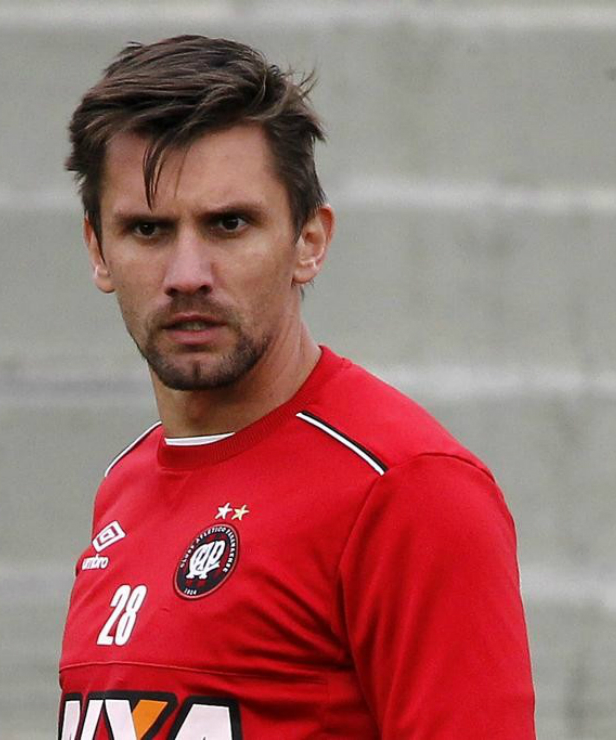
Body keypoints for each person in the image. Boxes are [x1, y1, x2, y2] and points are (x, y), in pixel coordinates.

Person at [57, 35, 536, 739]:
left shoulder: (407, 489)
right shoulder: (124, 485)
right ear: (99, 250)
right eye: (148, 229)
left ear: (309, 241)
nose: (187, 274)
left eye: (229, 224)